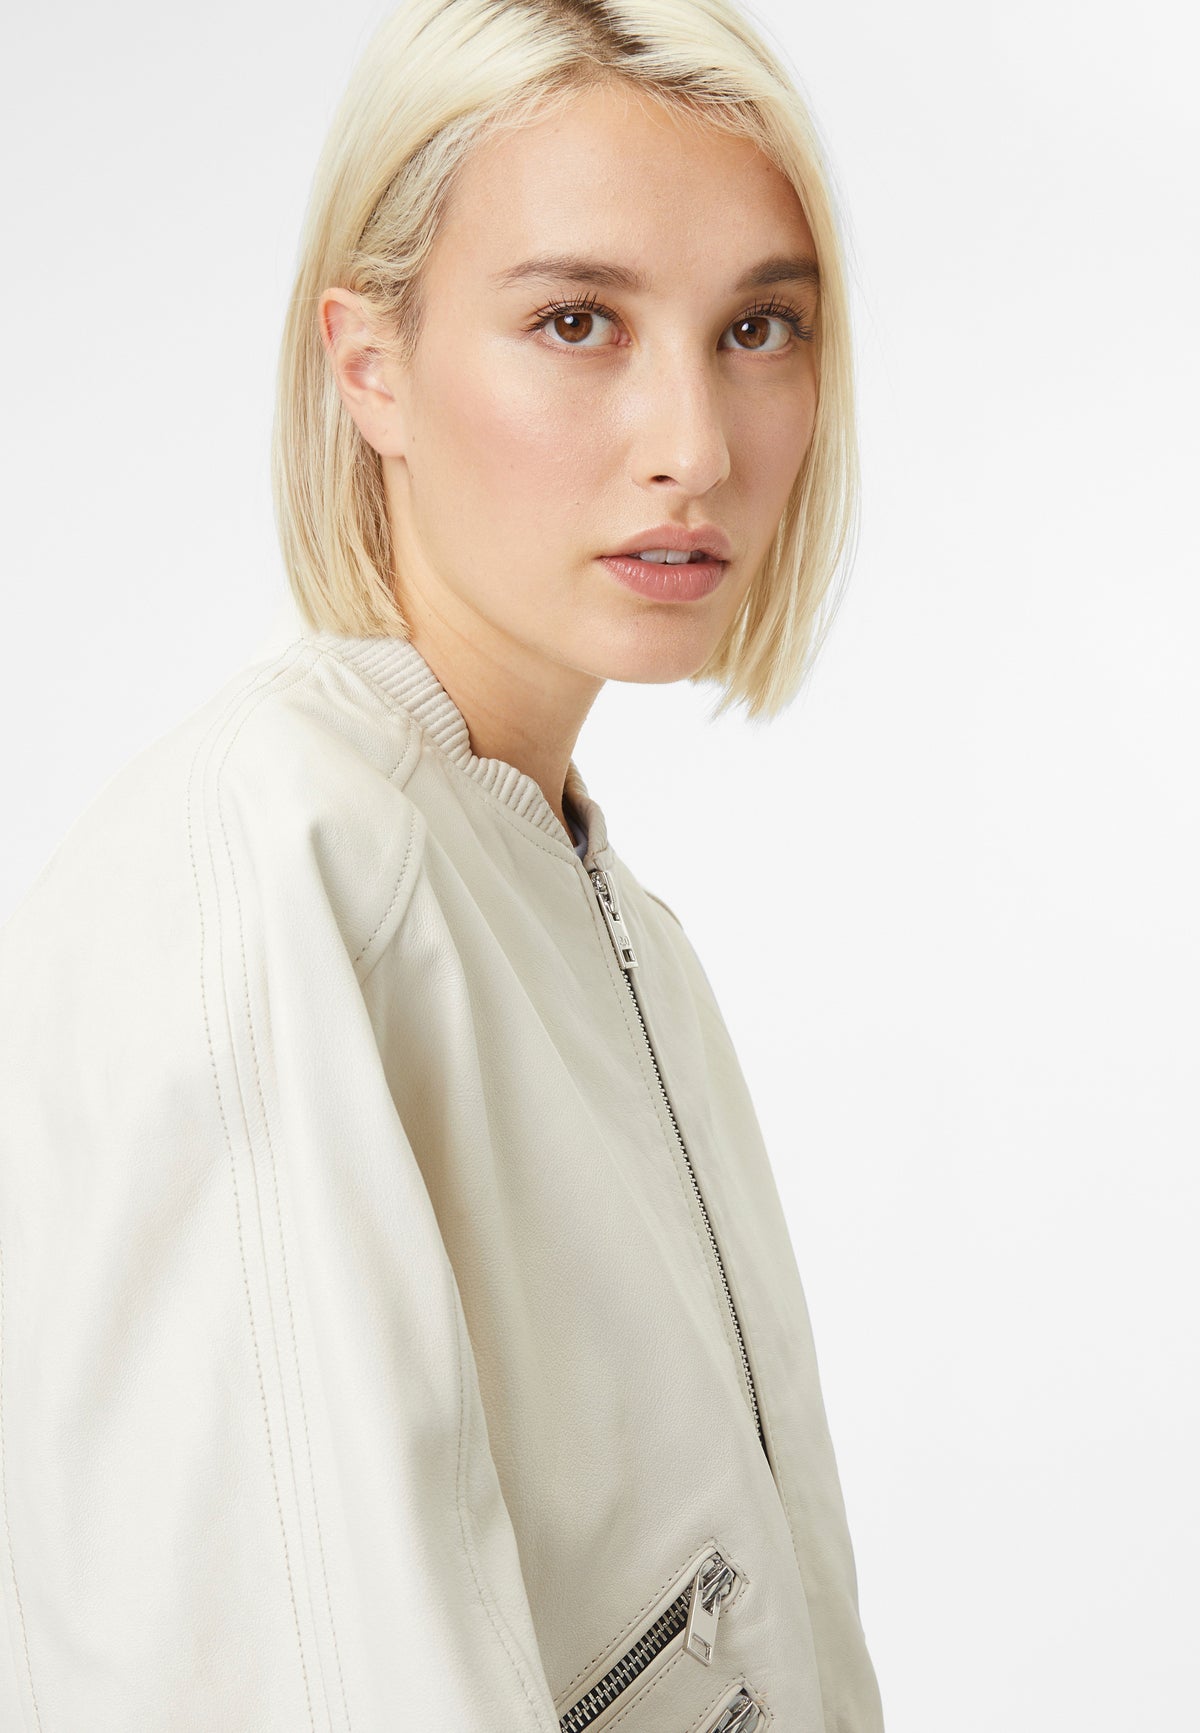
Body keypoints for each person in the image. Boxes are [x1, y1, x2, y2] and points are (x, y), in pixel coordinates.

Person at [0, 1, 884, 1729]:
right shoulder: (269, 870)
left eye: (756, 326)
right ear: (370, 366)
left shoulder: (618, 928)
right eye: (577, 320)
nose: (696, 443)